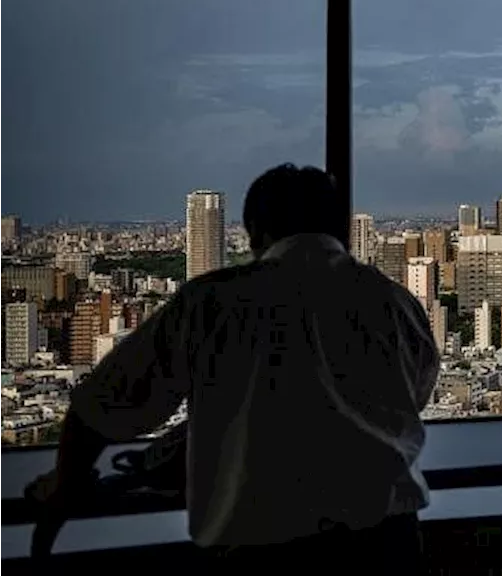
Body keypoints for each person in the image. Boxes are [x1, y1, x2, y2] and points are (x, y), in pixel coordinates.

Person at [26, 164, 440, 567]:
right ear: (339, 226)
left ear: (255, 231)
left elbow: (101, 407)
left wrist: (65, 486)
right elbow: (407, 401)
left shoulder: (214, 301)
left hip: (264, 553)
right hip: (389, 545)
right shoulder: (394, 302)